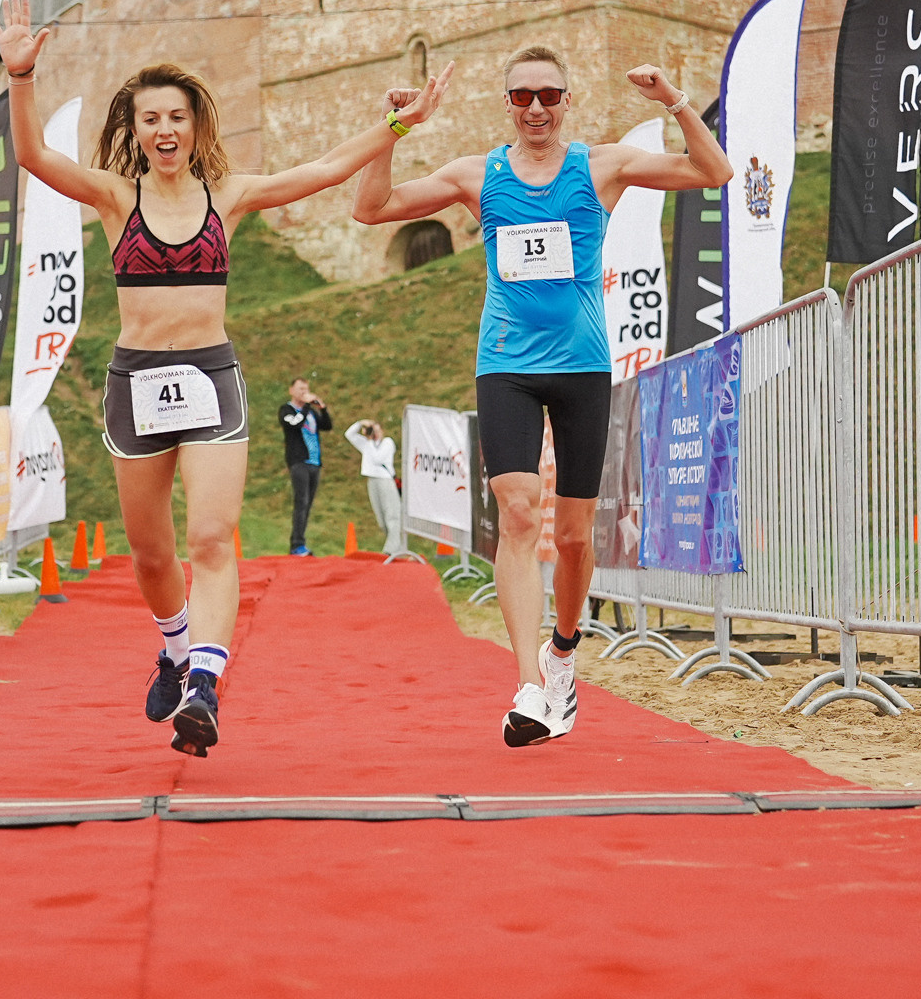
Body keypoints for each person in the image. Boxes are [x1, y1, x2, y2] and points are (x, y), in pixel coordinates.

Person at [0, 0, 452, 756]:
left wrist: (400, 125)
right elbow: (36, 159)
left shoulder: (229, 195)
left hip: (209, 377)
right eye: (151, 120)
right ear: (135, 133)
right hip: (137, 382)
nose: (165, 129)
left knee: (211, 538)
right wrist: (20, 78)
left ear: (195, 126)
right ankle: (174, 649)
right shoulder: (116, 197)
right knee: (151, 554)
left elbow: (329, 167)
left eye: (177, 117)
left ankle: (204, 684)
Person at [354, 45, 730, 746]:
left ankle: (562, 651)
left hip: (584, 365)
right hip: (507, 365)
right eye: (522, 96)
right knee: (520, 515)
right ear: (506, 104)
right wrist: (398, 129)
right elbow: (370, 208)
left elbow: (715, 170)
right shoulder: (478, 175)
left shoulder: (602, 166)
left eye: (548, 96)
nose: (535, 109)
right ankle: (529, 684)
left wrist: (673, 99)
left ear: (566, 101)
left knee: (575, 535)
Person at [277, 378, 330, 556]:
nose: (304, 392)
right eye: (300, 389)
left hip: (314, 462)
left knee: (308, 504)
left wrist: (322, 408)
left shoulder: (311, 413)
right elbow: (295, 423)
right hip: (298, 461)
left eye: (306, 389)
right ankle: (296, 544)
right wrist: (306, 406)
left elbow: (327, 426)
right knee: (301, 501)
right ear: (291, 390)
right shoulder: (286, 410)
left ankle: (301, 542)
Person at [346, 419, 405, 558]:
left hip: (385, 480)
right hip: (372, 480)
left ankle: (390, 550)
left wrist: (370, 441)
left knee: (392, 515)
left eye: (377, 430)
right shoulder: (367, 444)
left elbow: (378, 459)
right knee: (381, 519)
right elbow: (349, 434)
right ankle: (397, 549)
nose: (375, 434)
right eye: (373, 430)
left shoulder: (387, 443)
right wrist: (361, 423)